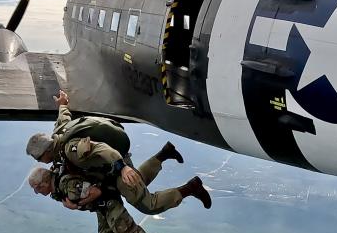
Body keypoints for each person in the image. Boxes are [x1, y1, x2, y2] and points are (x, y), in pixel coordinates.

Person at [26, 90, 212, 213]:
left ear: (46, 152)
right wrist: (63, 104)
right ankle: (165, 153)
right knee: (135, 181)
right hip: (116, 156)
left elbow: (102, 150)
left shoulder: (70, 150)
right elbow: (63, 118)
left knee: (147, 205)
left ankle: (191, 188)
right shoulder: (59, 134)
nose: (41, 162)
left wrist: (122, 168)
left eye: (40, 158)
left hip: (115, 161)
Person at [28, 167, 186, 233]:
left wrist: (74, 205)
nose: (36, 192)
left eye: (36, 188)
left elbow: (96, 192)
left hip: (108, 203)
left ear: (43, 183)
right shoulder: (57, 183)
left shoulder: (66, 184)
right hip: (101, 208)